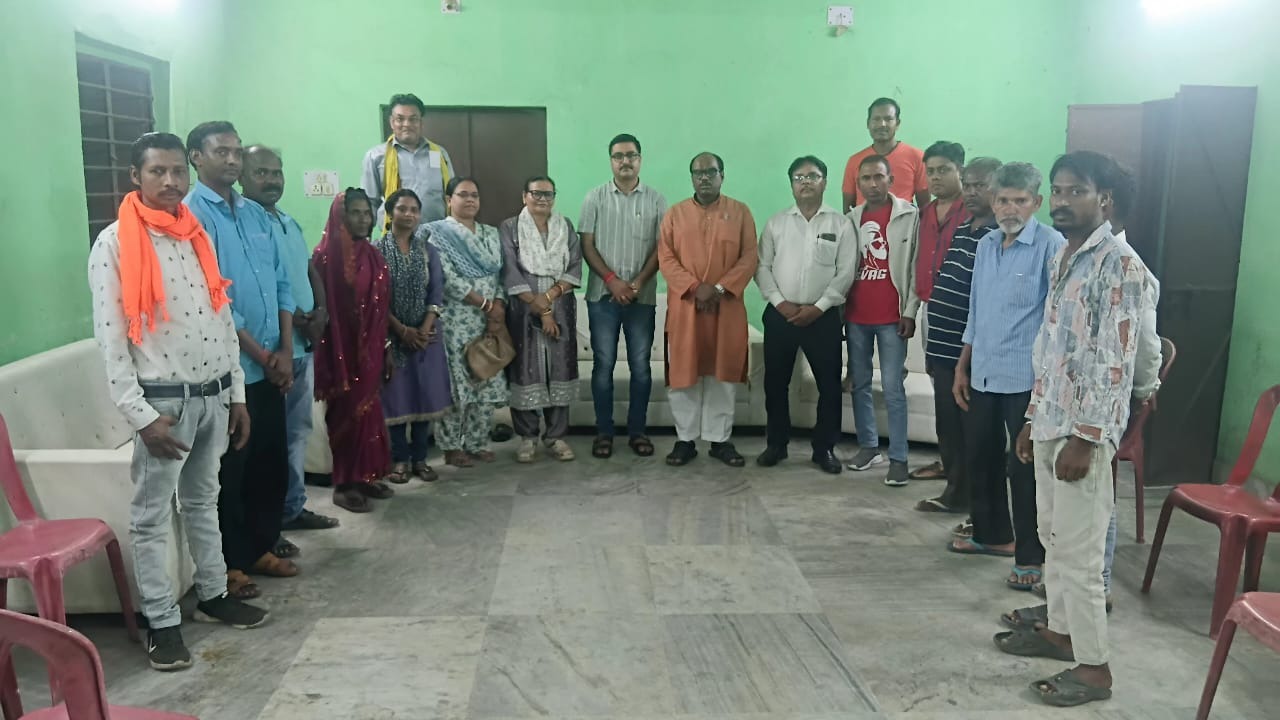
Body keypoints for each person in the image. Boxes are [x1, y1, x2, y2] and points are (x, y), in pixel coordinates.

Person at [90, 132, 268, 671]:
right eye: (157, 172)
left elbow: (220, 316)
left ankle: (213, 595)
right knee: (151, 518)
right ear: (135, 177)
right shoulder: (115, 245)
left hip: (214, 394)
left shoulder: (195, 235)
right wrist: (141, 417)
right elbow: (111, 340)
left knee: (203, 501)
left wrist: (236, 394)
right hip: (163, 404)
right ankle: (161, 622)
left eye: (176, 172)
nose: (170, 181)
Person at [995, 152, 1146, 708]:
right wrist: (1033, 417)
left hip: (1083, 434)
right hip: (1051, 420)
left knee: (1081, 557)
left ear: (1104, 199)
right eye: (1057, 191)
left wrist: (1085, 438)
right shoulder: (1065, 257)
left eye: (1075, 191)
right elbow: (1053, 348)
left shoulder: (1119, 264)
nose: (1061, 201)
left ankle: (1095, 668)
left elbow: (1115, 362)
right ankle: (1060, 633)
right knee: (1053, 538)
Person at [185, 121, 297, 596]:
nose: (231, 160)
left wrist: (286, 349)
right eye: (221, 152)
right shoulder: (192, 215)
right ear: (197, 157)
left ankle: (261, 546)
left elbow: (282, 282)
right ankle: (231, 563)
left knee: (270, 461)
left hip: (275, 360)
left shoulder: (255, 214)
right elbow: (216, 298)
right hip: (231, 369)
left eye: (235, 152)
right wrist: (263, 354)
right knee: (233, 467)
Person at [948, 162, 1064, 594]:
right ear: (992, 202)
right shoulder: (986, 244)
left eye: (1020, 200)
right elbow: (976, 309)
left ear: (1036, 202)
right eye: (1002, 200)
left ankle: (1030, 556)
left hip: (1025, 378)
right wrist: (962, 365)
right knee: (980, 455)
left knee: (1024, 468)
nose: (1010, 208)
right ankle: (992, 534)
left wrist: (1046, 386)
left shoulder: (1051, 246)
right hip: (983, 371)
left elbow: (1055, 321)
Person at [238, 145, 339, 553]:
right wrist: (298, 319)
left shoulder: (286, 220)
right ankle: (269, 525)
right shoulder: (245, 223)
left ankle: (292, 508)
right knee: (269, 444)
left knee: (297, 433)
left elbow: (307, 268)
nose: (271, 180)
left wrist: (322, 310)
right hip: (269, 355)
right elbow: (263, 284)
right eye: (260, 172)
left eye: (276, 173)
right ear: (242, 176)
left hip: (301, 346)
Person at [754, 155, 857, 474]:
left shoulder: (841, 224)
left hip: (823, 318)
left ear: (825, 182)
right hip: (780, 315)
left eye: (813, 176)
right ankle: (776, 444)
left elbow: (846, 272)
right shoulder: (776, 223)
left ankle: (824, 448)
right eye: (799, 178)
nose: (806, 182)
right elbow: (761, 267)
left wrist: (819, 307)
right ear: (791, 185)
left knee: (829, 386)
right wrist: (779, 303)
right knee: (775, 383)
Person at [658, 152, 758, 467]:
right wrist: (694, 287)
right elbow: (665, 258)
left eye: (711, 172)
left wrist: (718, 289)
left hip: (726, 308)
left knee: (722, 374)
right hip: (686, 308)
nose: (704, 178)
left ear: (722, 176)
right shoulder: (674, 214)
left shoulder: (740, 212)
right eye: (698, 173)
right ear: (691, 177)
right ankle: (685, 440)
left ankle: (719, 440)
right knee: (683, 374)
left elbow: (750, 256)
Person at [915, 157, 1002, 515]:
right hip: (942, 348)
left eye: (981, 185)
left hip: (969, 355)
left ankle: (978, 507)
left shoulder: (998, 237)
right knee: (948, 428)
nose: (972, 192)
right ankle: (955, 492)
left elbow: (986, 301)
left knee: (974, 434)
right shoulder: (965, 229)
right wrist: (932, 351)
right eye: (969, 184)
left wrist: (966, 357)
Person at [579, 133, 668, 459]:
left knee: (640, 367)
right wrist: (613, 281)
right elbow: (587, 244)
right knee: (603, 366)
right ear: (611, 161)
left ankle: (637, 432)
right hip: (602, 297)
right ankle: (604, 433)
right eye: (618, 156)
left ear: (640, 159)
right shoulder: (595, 197)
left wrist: (637, 283)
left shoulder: (656, 200)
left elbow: (662, 247)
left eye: (631, 155)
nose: (625, 161)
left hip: (641, 298)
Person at [312, 189, 394, 512]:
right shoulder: (325, 258)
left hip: (371, 350)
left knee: (370, 413)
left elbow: (380, 308)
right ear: (340, 216)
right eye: (355, 212)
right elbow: (326, 309)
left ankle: (365, 475)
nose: (363, 219)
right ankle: (344, 484)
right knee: (346, 414)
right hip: (341, 352)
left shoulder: (372, 255)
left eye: (367, 213)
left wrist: (384, 346)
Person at [843, 155, 920, 486]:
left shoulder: (909, 216)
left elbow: (915, 266)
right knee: (859, 384)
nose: (872, 184)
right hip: (856, 316)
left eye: (878, 177)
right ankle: (869, 447)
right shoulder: (851, 219)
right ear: (858, 183)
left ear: (891, 180)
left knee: (892, 388)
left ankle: (899, 458)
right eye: (866, 178)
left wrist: (910, 311)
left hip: (892, 318)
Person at [428, 178, 509, 466]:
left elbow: (500, 275)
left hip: (489, 321)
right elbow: (447, 279)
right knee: (457, 383)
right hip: (456, 320)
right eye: (463, 194)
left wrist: (498, 306)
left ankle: (477, 442)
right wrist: (485, 304)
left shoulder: (491, 233)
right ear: (449, 200)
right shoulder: (437, 234)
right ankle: (451, 446)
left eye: (474, 194)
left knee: (485, 378)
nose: (470, 200)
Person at [500, 176, 582, 463]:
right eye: (536, 193)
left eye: (548, 194)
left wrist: (549, 297)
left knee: (560, 367)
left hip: (561, 305)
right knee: (525, 367)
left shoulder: (565, 226)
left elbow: (575, 265)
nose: (542, 199)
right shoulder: (510, 227)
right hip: (523, 307)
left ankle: (556, 436)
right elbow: (509, 269)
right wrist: (541, 307)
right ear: (524, 196)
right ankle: (527, 437)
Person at [375, 189, 452, 482]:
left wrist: (423, 328)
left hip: (426, 337)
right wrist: (401, 330)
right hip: (390, 337)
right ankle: (400, 461)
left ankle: (420, 459)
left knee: (424, 396)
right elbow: (375, 298)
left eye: (414, 210)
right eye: (402, 209)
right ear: (389, 213)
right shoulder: (376, 251)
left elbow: (437, 291)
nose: (409, 215)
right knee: (396, 398)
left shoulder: (428, 251)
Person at [908, 141, 970, 483]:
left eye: (943, 170)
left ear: (960, 170)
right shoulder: (925, 213)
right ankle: (949, 462)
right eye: (930, 171)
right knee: (941, 388)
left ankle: (967, 469)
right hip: (932, 310)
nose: (935, 177)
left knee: (964, 391)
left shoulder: (972, 212)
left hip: (965, 313)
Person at [362, 93, 455, 230]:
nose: (407, 124)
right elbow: (370, 202)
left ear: (421, 123)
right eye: (400, 119)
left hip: (437, 235)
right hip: (395, 235)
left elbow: (452, 196)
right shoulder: (376, 156)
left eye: (413, 119)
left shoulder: (439, 154)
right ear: (392, 122)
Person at [841, 98, 929, 212]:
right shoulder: (854, 161)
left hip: (905, 222)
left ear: (897, 123)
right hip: (864, 223)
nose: (882, 124)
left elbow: (925, 207)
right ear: (868, 124)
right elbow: (848, 209)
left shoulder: (917, 157)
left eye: (888, 119)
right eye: (876, 119)